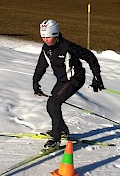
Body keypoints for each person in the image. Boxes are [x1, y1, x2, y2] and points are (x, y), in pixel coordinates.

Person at [33, 19, 105, 152]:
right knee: (51, 105)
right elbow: (41, 66)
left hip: (75, 79)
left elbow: (89, 56)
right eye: (43, 37)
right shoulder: (46, 49)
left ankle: (56, 138)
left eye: (48, 37)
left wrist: (96, 76)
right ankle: (63, 131)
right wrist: (35, 82)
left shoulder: (67, 46)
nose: (46, 40)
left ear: (55, 34)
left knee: (54, 103)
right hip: (62, 81)